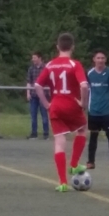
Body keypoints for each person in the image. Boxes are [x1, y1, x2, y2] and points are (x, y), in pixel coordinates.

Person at [35, 33, 90, 193]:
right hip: (71, 104)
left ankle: (63, 183)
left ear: (57, 47)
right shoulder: (75, 64)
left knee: (59, 141)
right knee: (82, 129)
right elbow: (84, 86)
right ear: (73, 47)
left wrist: (46, 104)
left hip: (55, 106)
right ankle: (74, 165)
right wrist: (83, 103)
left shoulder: (50, 65)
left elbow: (37, 86)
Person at [26, 52, 50, 140]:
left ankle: (46, 134)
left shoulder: (46, 68)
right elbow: (29, 81)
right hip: (33, 95)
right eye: (33, 58)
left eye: (35, 58)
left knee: (44, 115)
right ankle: (34, 133)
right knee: (33, 115)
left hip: (43, 95)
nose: (33, 59)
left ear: (40, 58)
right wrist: (28, 93)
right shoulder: (31, 69)